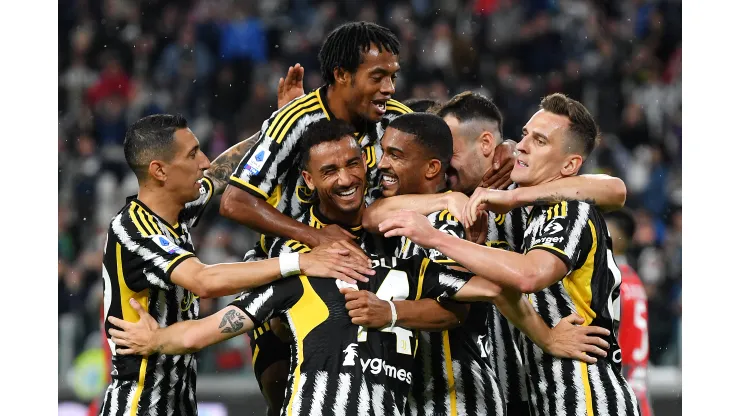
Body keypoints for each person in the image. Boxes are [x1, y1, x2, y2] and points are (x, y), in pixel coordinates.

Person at [108, 118, 609, 415]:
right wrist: (156, 341)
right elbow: (213, 318)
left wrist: (545, 336)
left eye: (357, 164)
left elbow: (485, 293)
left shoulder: (401, 253)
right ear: (307, 181)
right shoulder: (295, 266)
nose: (348, 177)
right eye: (329, 171)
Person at [363, 91, 628, 415]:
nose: (522, 146)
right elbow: (374, 214)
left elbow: (614, 190)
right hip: (529, 386)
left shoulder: (540, 199)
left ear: (486, 144)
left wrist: (517, 198)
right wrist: (447, 201)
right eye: (525, 136)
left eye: (452, 151)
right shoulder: (462, 204)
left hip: (571, 391)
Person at [98, 114, 372, 416]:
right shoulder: (132, 229)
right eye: (193, 154)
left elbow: (219, 174)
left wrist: (277, 129)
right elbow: (203, 281)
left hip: (178, 404)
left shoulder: (180, 208)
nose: (204, 162)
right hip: (137, 406)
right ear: (159, 170)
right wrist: (301, 262)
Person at [605, 210, 654, 416]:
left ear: (618, 238)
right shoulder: (633, 278)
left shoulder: (610, 282)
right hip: (638, 387)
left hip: (620, 391)